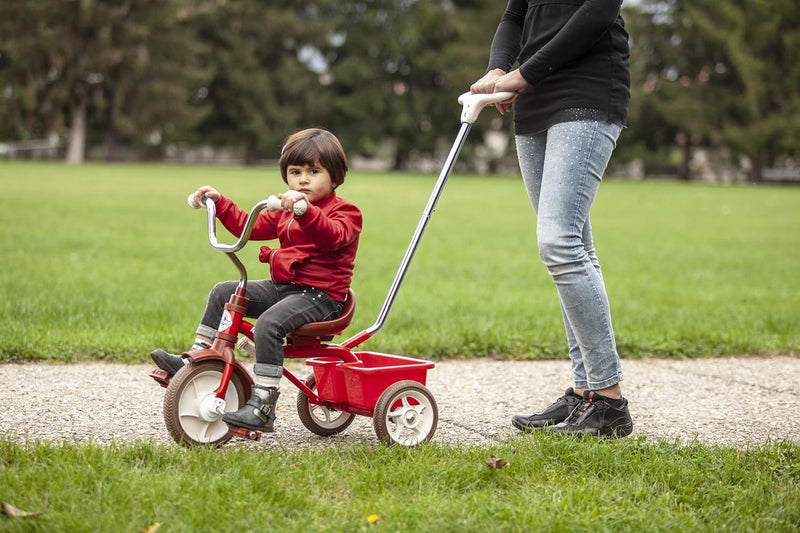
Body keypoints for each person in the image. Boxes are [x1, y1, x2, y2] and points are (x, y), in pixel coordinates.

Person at [470, 0, 633, 437]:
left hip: (588, 91)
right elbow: (514, 15)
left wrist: (520, 74)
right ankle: (585, 395)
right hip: (534, 99)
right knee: (575, 244)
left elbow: (597, 13)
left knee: (559, 243)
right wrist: (496, 69)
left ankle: (610, 401)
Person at [150, 128, 362, 433]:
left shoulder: (346, 213)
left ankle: (263, 404)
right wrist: (219, 202)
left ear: (335, 177)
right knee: (224, 292)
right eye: (295, 171)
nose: (303, 179)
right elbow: (246, 226)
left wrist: (305, 212)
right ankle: (195, 358)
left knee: (268, 325)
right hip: (287, 288)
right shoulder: (284, 211)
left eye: (314, 171)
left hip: (323, 298)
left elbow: (332, 236)